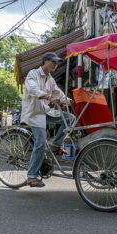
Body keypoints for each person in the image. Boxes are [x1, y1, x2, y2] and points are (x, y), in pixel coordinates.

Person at [21, 52, 75, 188]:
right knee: (40, 142)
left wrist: (69, 101)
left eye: (57, 63)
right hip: (34, 113)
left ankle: (56, 144)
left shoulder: (50, 79)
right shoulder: (33, 74)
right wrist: (47, 97)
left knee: (70, 118)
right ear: (45, 61)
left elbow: (58, 93)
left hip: (45, 111)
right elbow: (32, 89)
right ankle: (31, 176)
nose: (56, 65)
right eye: (53, 62)